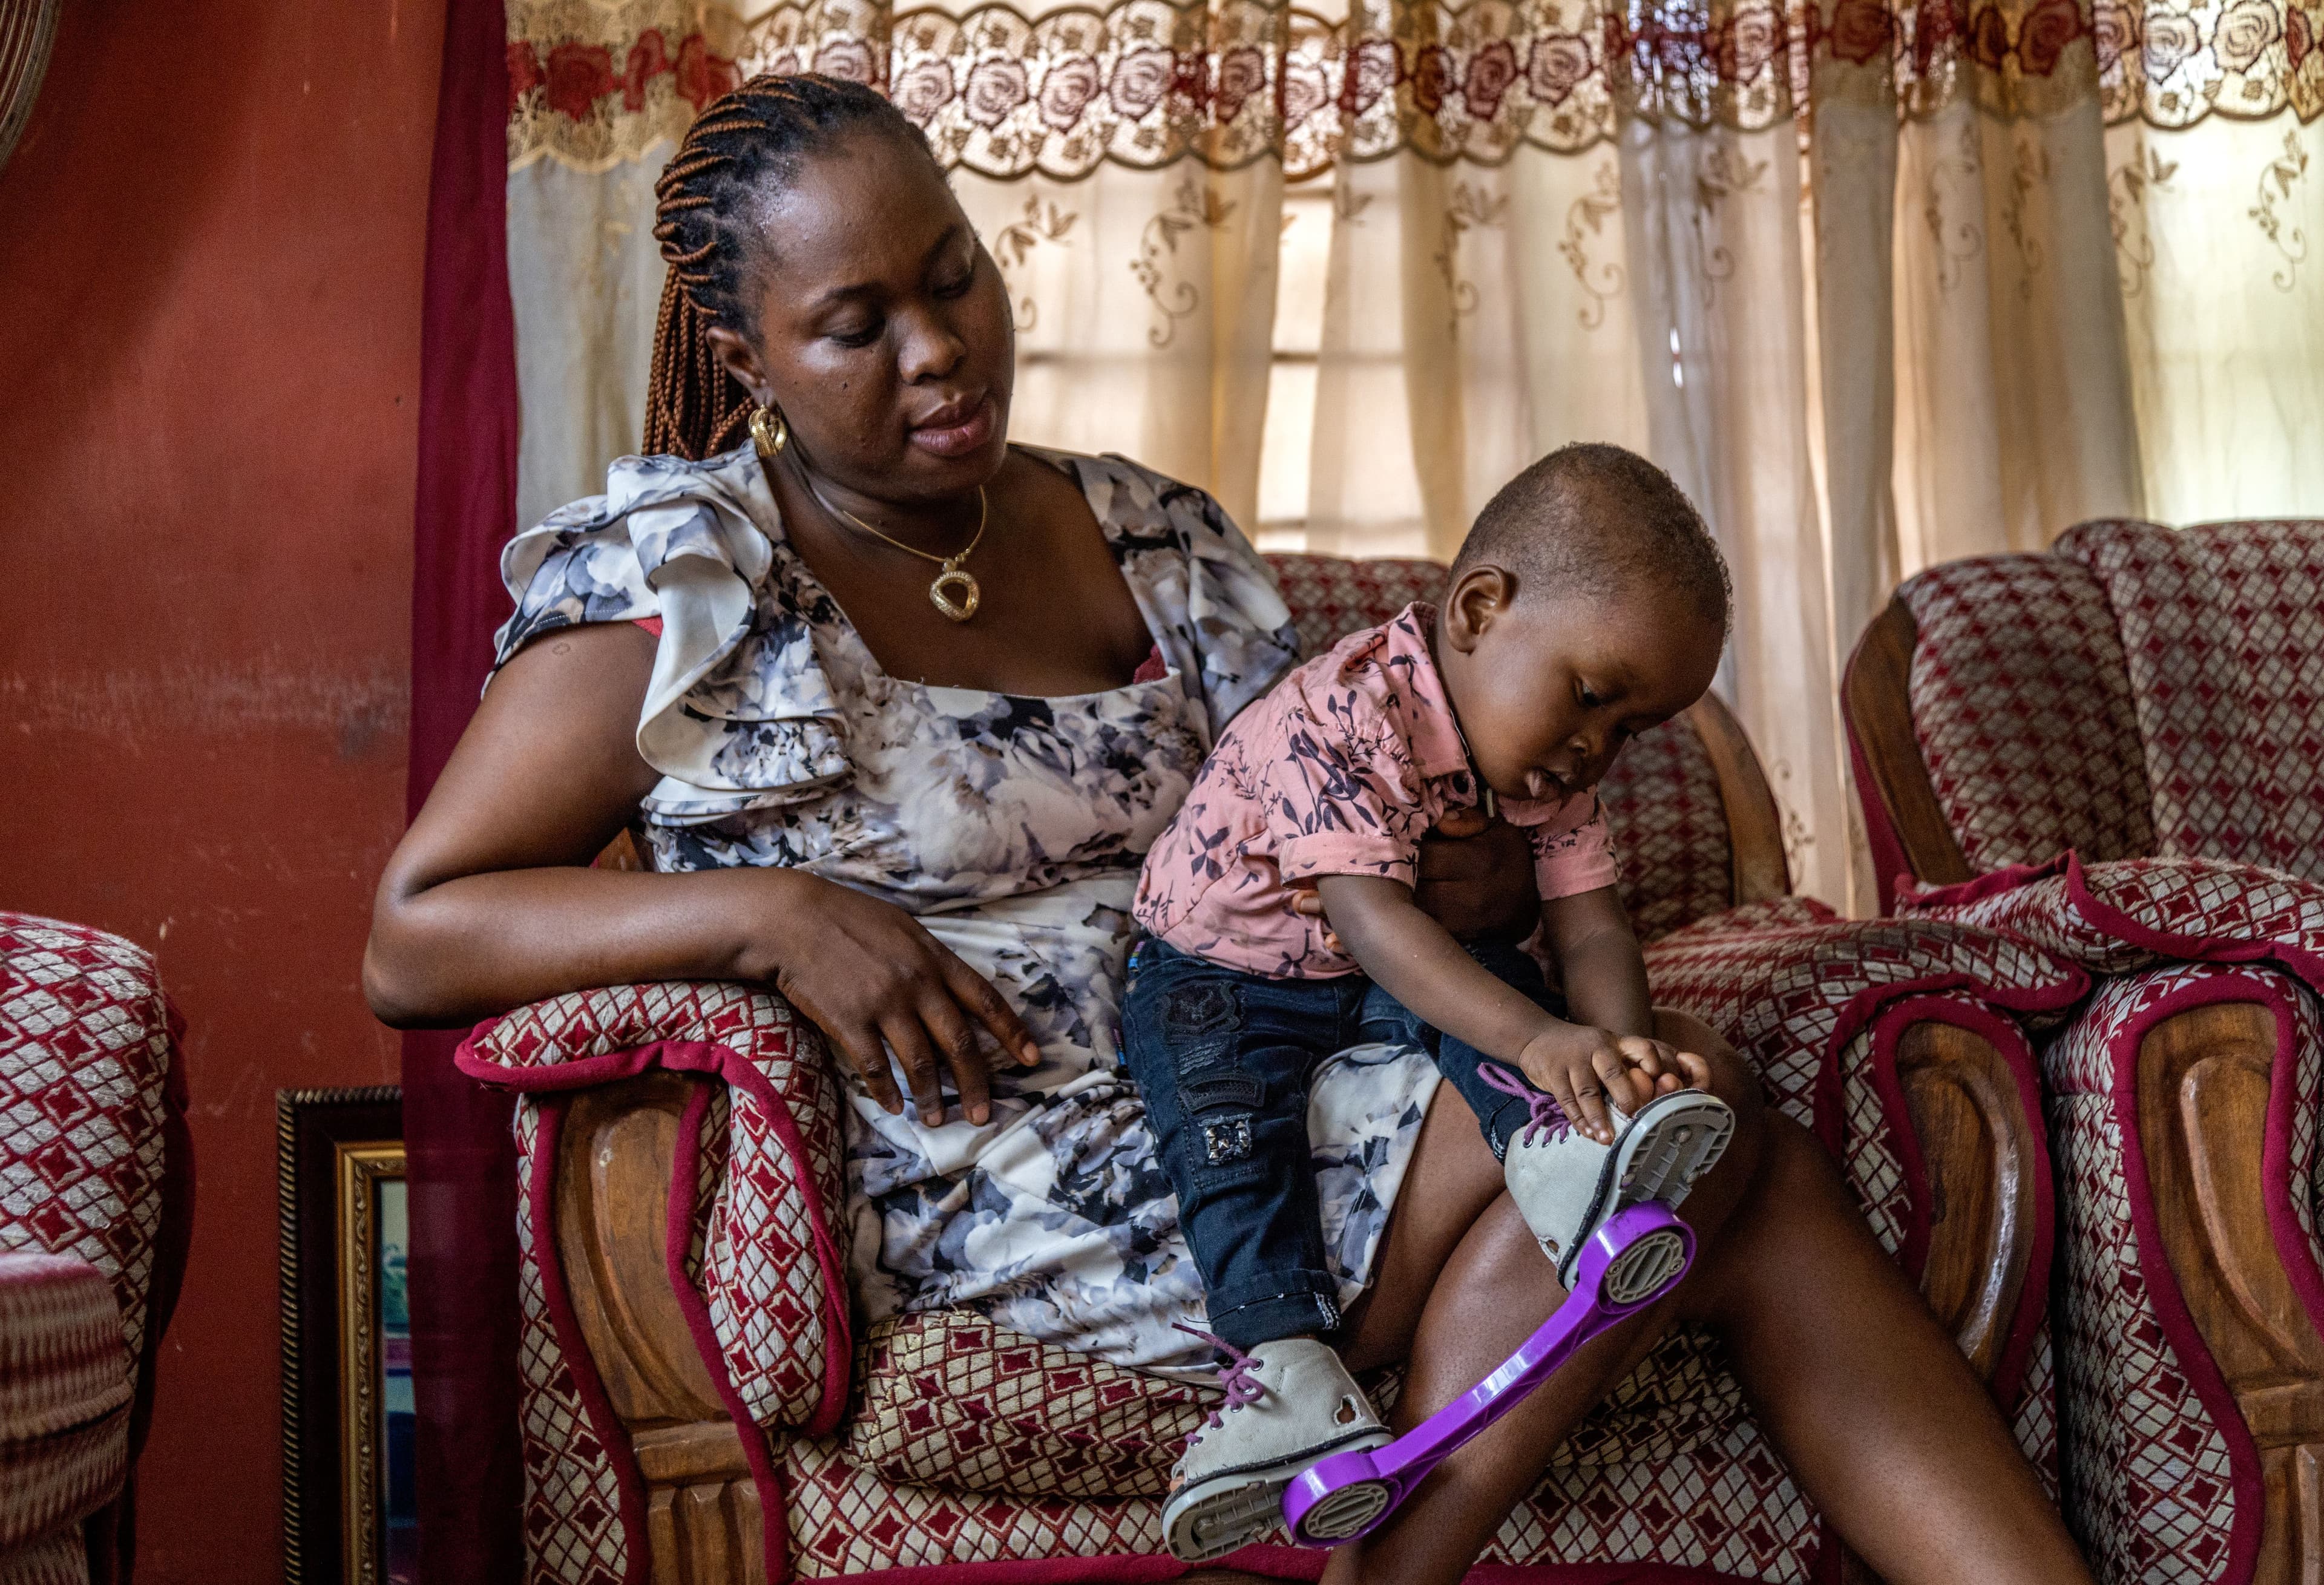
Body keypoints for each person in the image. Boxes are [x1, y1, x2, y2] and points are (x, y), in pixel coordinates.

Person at [363, 71, 2095, 1585]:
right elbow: (418, 931)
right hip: (1024, 1171)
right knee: (1690, 1127)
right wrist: (770, 913)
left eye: (954, 274)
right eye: (857, 322)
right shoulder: (686, 579)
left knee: (1709, 1144)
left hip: (1280, 1063)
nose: (941, 346)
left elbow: (1340, 814)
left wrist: (1476, 868)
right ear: (749, 357)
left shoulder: (1151, 537)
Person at [1124, 444, 1737, 1560]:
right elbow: (1377, 926)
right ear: (1479, 611)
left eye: (1628, 730)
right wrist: (1545, 1041)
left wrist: (1616, 1062)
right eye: (1591, 698)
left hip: (1363, 978)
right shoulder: (1343, 710)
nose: (1595, 749)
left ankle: (1574, 1156)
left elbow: (1593, 928)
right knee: (1229, 1136)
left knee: (1504, 988)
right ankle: (1283, 1374)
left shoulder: (1548, 774)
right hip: (1218, 978)